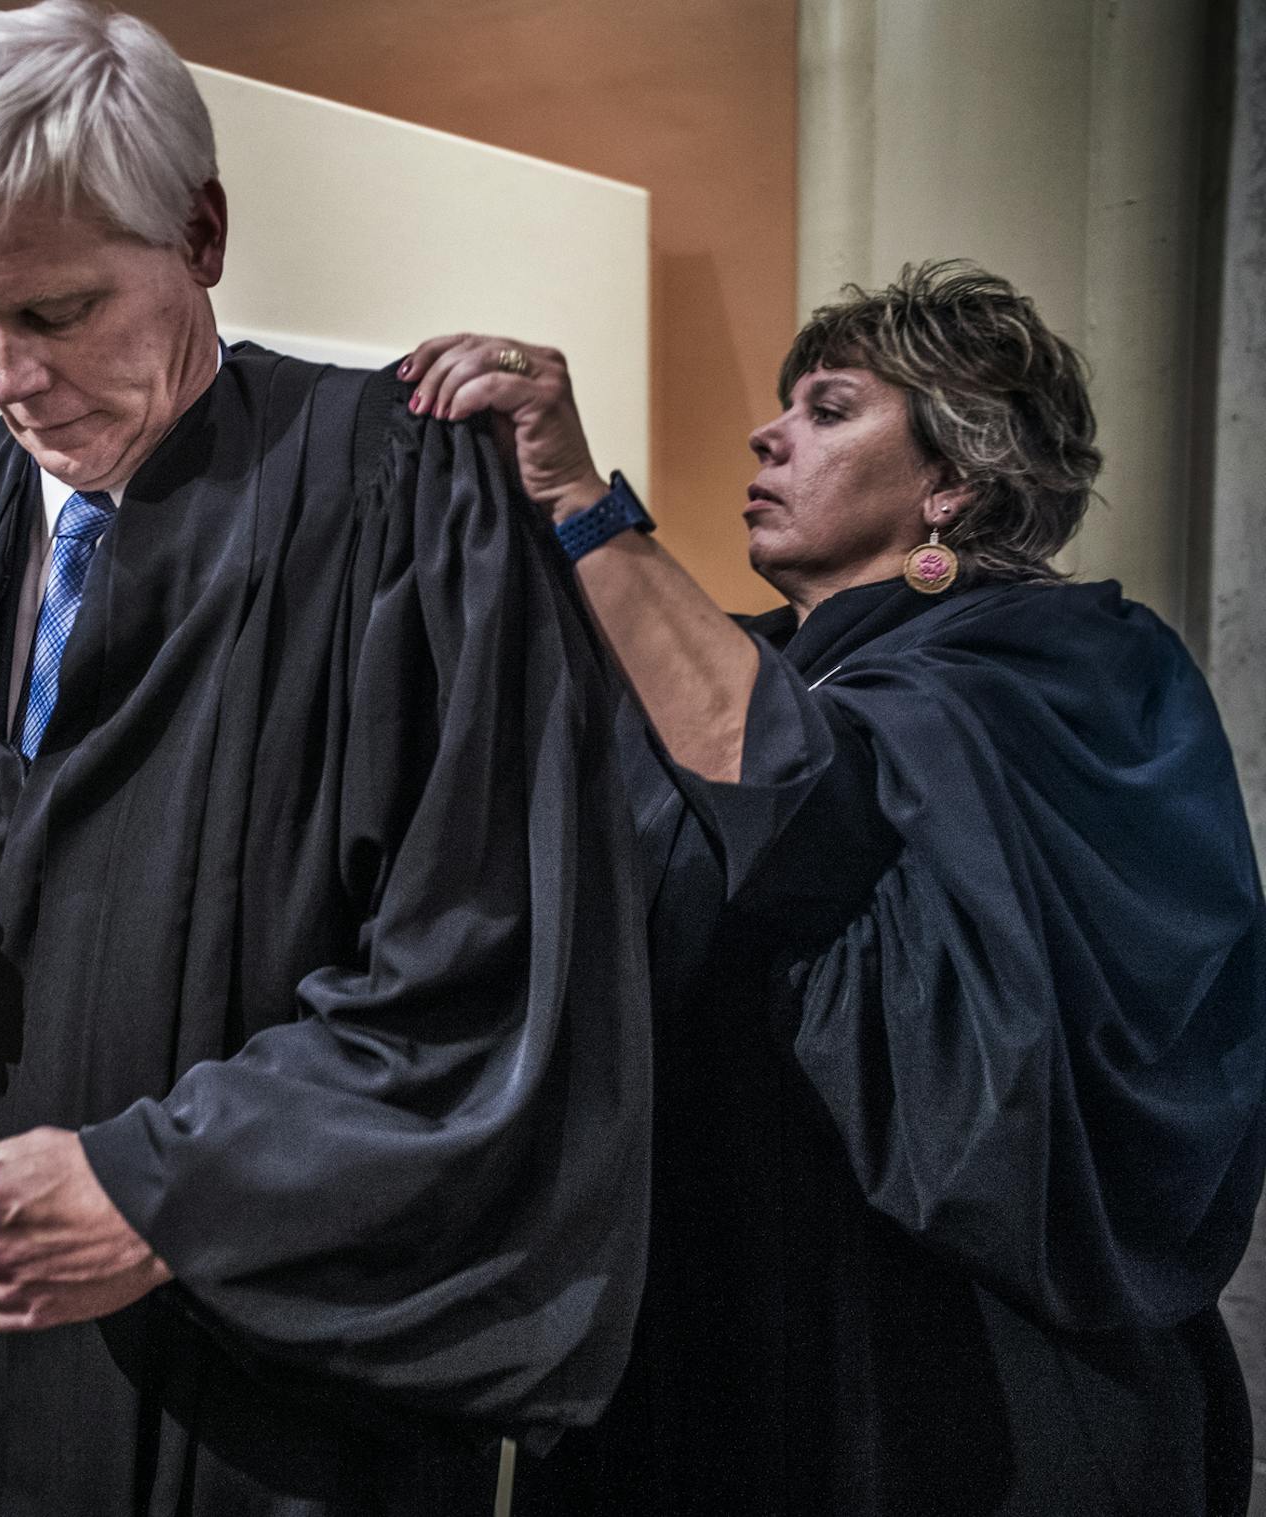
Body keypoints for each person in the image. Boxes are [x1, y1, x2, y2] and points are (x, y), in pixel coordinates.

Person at [0, 3, 652, 1512]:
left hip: (268, 1387)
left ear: (200, 232)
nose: (10, 376)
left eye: (62, 312)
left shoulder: (407, 501)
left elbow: (493, 962)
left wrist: (165, 1189)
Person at [405, 262, 1266, 1514]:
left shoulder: (1070, 669)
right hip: (723, 1329)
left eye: (829, 407)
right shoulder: (752, 664)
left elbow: (806, 804)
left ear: (951, 481)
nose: (769, 431)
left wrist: (582, 500)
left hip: (968, 1377)